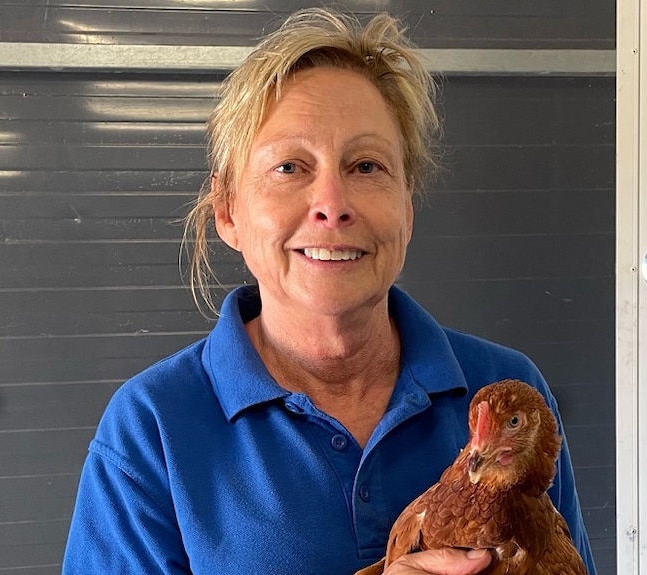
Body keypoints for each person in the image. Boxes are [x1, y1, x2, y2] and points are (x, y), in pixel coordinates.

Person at [62, 8, 598, 575]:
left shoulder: (507, 390)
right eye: (290, 166)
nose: (333, 204)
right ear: (227, 211)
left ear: (407, 210)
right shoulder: (153, 428)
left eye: (366, 166)